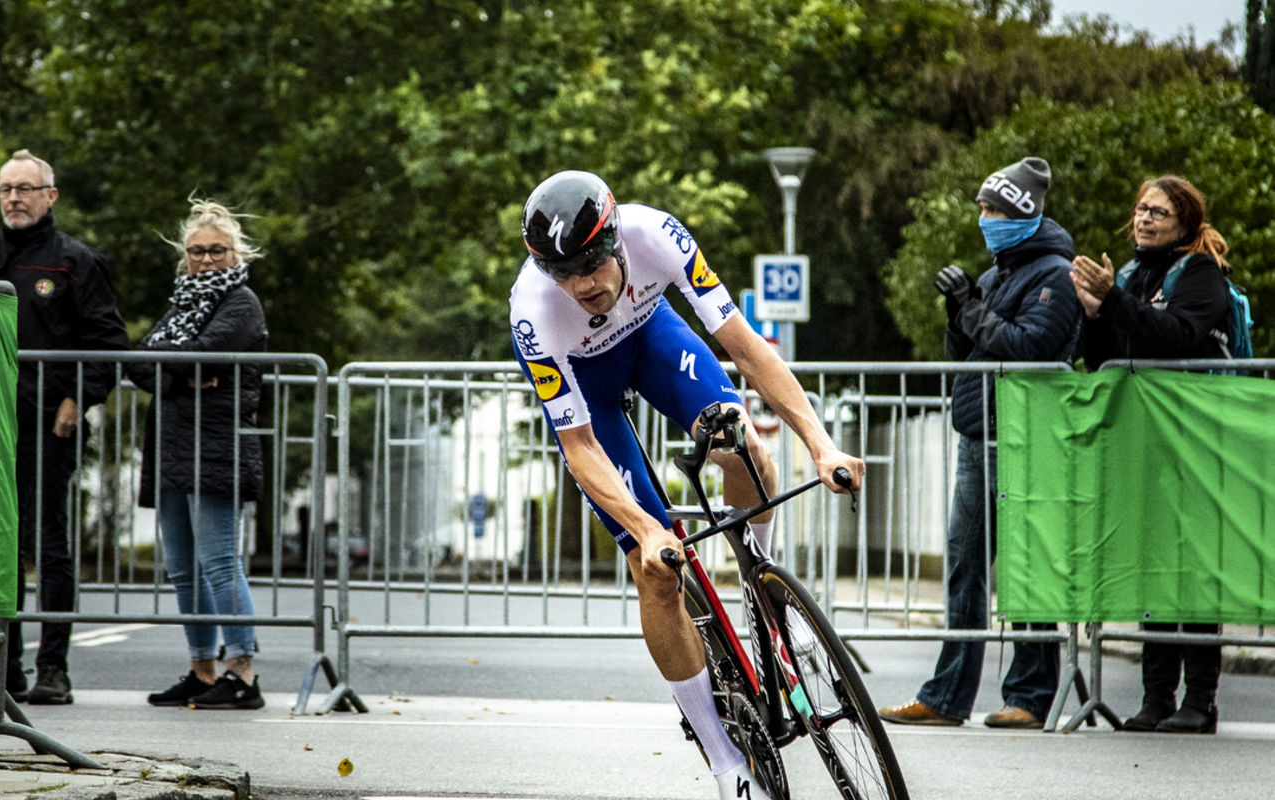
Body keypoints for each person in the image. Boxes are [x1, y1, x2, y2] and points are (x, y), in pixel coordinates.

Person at [509, 170, 864, 800]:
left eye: (593, 262)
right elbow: (579, 445)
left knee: (742, 442)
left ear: (617, 241)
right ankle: (725, 761)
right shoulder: (532, 311)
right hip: (587, 390)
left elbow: (746, 348)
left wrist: (820, 441)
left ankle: (761, 577)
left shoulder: (657, 234)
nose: (585, 283)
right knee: (657, 571)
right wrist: (646, 531)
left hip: (650, 336)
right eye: (566, 273)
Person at [878, 157, 1081, 729]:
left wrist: (971, 309)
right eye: (982, 209)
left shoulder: (1054, 274)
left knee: (1025, 564)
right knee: (965, 563)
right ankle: (946, 697)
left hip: (1026, 437)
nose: (984, 218)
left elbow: (1030, 348)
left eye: (992, 209)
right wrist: (956, 313)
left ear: (1021, 212)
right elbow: (967, 354)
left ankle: (1030, 696)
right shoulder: (998, 274)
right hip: (979, 433)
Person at [0, 149, 129, 705]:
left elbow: (106, 342)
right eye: (6, 189)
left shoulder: (76, 261)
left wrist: (79, 396)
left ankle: (53, 668)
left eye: (26, 188)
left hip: (49, 424)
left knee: (48, 543)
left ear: (50, 196)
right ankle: (0, 668)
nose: (14, 198)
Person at [1070, 174, 1229, 734]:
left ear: (1184, 222)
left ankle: (1200, 700)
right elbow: (1103, 361)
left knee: (1194, 571)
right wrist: (1094, 315)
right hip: (1145, 445)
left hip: (1198, 445)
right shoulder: (1133, 276)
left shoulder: (1202, 275)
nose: (1144, 218)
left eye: (1159, 212)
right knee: (1155, 570)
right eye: (1140, 208)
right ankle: (1156, 697)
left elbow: (1179, 336)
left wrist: (1113, 300)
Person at [130, 199, 269, 711]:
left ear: (235, 253)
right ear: (183, 256)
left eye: (216, 250)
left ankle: (243, 672)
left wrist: (179, 367)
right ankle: (202, 670)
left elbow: (201, 353)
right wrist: (184, 371)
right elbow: (139, 365)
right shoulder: (181, 303)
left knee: (219, 564)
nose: (206, 259)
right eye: (196, 251)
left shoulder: (241, 301)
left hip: (217, 445)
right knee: (184, 568)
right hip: (170, 446)